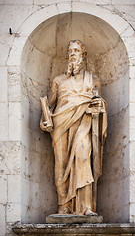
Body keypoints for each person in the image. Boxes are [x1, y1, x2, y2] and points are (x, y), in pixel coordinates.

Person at [40, 40, 107, 216]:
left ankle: (86, 207)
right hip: (61, 125)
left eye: (76, 51)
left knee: (83, 157)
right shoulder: (58, 81)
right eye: (70, 51)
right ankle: (64, 206)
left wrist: (99, 105)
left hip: (84, 124)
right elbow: (50, 106)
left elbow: (99, 103)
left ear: (83, 55)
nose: (72, 54)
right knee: (61, 165)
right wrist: (44, 121)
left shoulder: (93, 80)